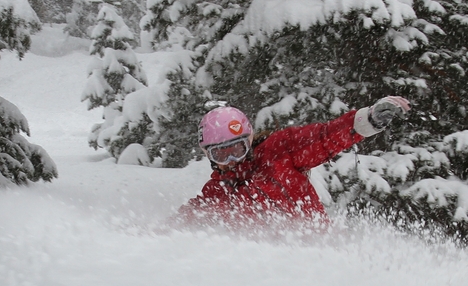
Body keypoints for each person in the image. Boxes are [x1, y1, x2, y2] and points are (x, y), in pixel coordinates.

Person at [174, 97, 411, 229]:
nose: (231, 161)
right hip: (268, 267)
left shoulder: (278, 151)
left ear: (248, 139)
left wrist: (366, 121)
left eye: (237, 149)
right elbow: (191, 217)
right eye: (221, 155)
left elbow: (323, 137)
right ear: (208, 155)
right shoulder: (219, 190)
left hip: (316, 245)